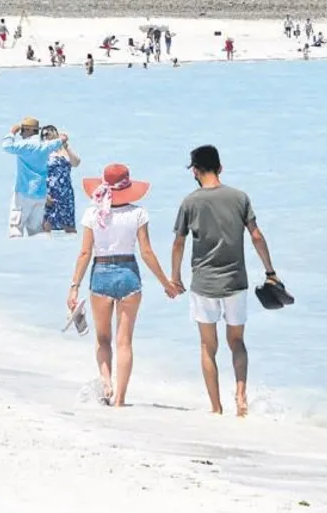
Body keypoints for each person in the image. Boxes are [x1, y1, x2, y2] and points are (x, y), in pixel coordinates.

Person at [170, 145, 280, 417]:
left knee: (208, 346)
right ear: (220, 168)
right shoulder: (240, 197)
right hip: (235, 282)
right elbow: (256, 236)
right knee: (237, 342)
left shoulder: (190, 202)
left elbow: (179, 242)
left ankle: (216, 408)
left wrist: (175, 277)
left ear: (195, 171)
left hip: (204, 284)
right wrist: (270, 271)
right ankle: (241, 397)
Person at [67, 163, 179, 406]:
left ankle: (106, 383)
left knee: (103, 339)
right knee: (124, 341)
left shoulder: (92, 213)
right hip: (129, 274)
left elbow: (85, 253)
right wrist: (166, 283)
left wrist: (74, 285)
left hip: (101, 274)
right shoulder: (138, 213)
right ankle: (120, 399)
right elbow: (147, 252)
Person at [1, 117, 67, 237]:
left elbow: (6, 146)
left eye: (22, 130)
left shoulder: (24, 145)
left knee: (15, 228)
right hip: (40, 194)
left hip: (23, 193)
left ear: (29, 130)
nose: (20, 134)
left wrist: (12, 132)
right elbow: (63, 138)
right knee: (36, 231)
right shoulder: (46, 145)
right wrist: (60, 137)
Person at [43, 124, 81, 233]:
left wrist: (66, 146)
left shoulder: (65, 150)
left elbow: (76, 163)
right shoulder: (43, 152)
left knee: (69, 227)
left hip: (66, 193)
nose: (45, 137)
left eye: (48, 133)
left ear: (56, 133)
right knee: (46, 226)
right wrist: (43, 195)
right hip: (49, 192)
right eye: (43, 135)